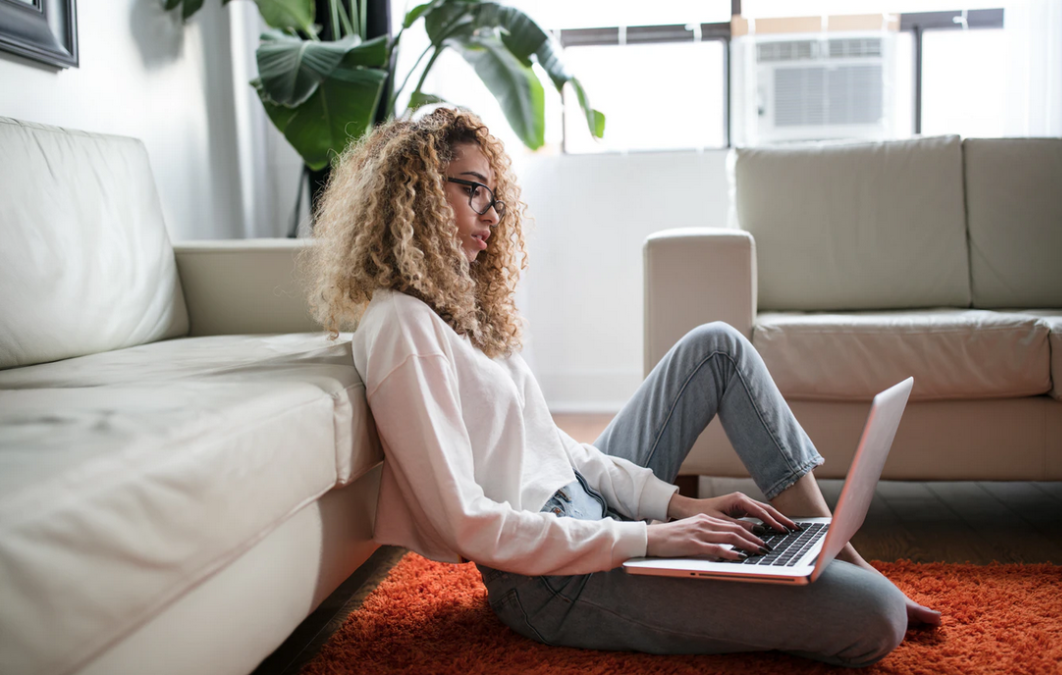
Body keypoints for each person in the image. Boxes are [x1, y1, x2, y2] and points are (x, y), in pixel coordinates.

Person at [302, 107, 941, 668]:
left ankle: (829, 546)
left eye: (494, 196)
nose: (491, 214)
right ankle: (838, 573)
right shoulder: (400, 325)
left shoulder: (458, 310)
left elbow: (556, 448)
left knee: (716, 345)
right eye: (473, 190)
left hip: (587, 510)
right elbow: (466, 523)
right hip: (550, 580)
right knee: (877, 616)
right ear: (413, 194)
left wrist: (674, 508)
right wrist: (649, 538)